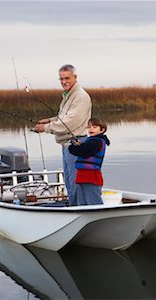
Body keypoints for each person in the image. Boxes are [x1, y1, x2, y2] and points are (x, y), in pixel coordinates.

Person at [34, 64, 92, 202]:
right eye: (61, 79)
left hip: (77, 143)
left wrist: (46, 128)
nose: (64, 81)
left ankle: (79, 208)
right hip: (67, 144)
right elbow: (63, 117)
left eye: (67, 78)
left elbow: (70, 122)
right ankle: (74, 206)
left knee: (75, 181)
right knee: (69, 180)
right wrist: (49, 120)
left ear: (75, 77)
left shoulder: (80, 96)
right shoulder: (68, 95)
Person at [68, 118, 110, 205]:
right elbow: (85, 149)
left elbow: (84, 151)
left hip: (91, 176)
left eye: (94, 127)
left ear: (102, 130)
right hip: (82, 175)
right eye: (89, 127)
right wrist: (80, 145)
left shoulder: (97, 141)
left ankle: (99, 216)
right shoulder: (91, 141)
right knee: (81, 201)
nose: (91, 129)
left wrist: (71, 147)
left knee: (93, 201)